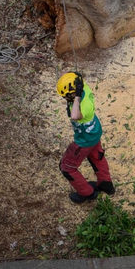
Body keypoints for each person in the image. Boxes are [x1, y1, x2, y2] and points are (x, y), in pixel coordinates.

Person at [57, 71, 114, 204]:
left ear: (73, 93)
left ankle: (87, 193)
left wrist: (76, 98)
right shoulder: (84, 87)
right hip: (95, 133)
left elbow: (75, 116)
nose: (65, 99)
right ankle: (106, 184)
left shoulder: (84, 106)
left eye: (66, 97)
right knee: (97, 157)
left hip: (84, 141)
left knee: (67, 168)